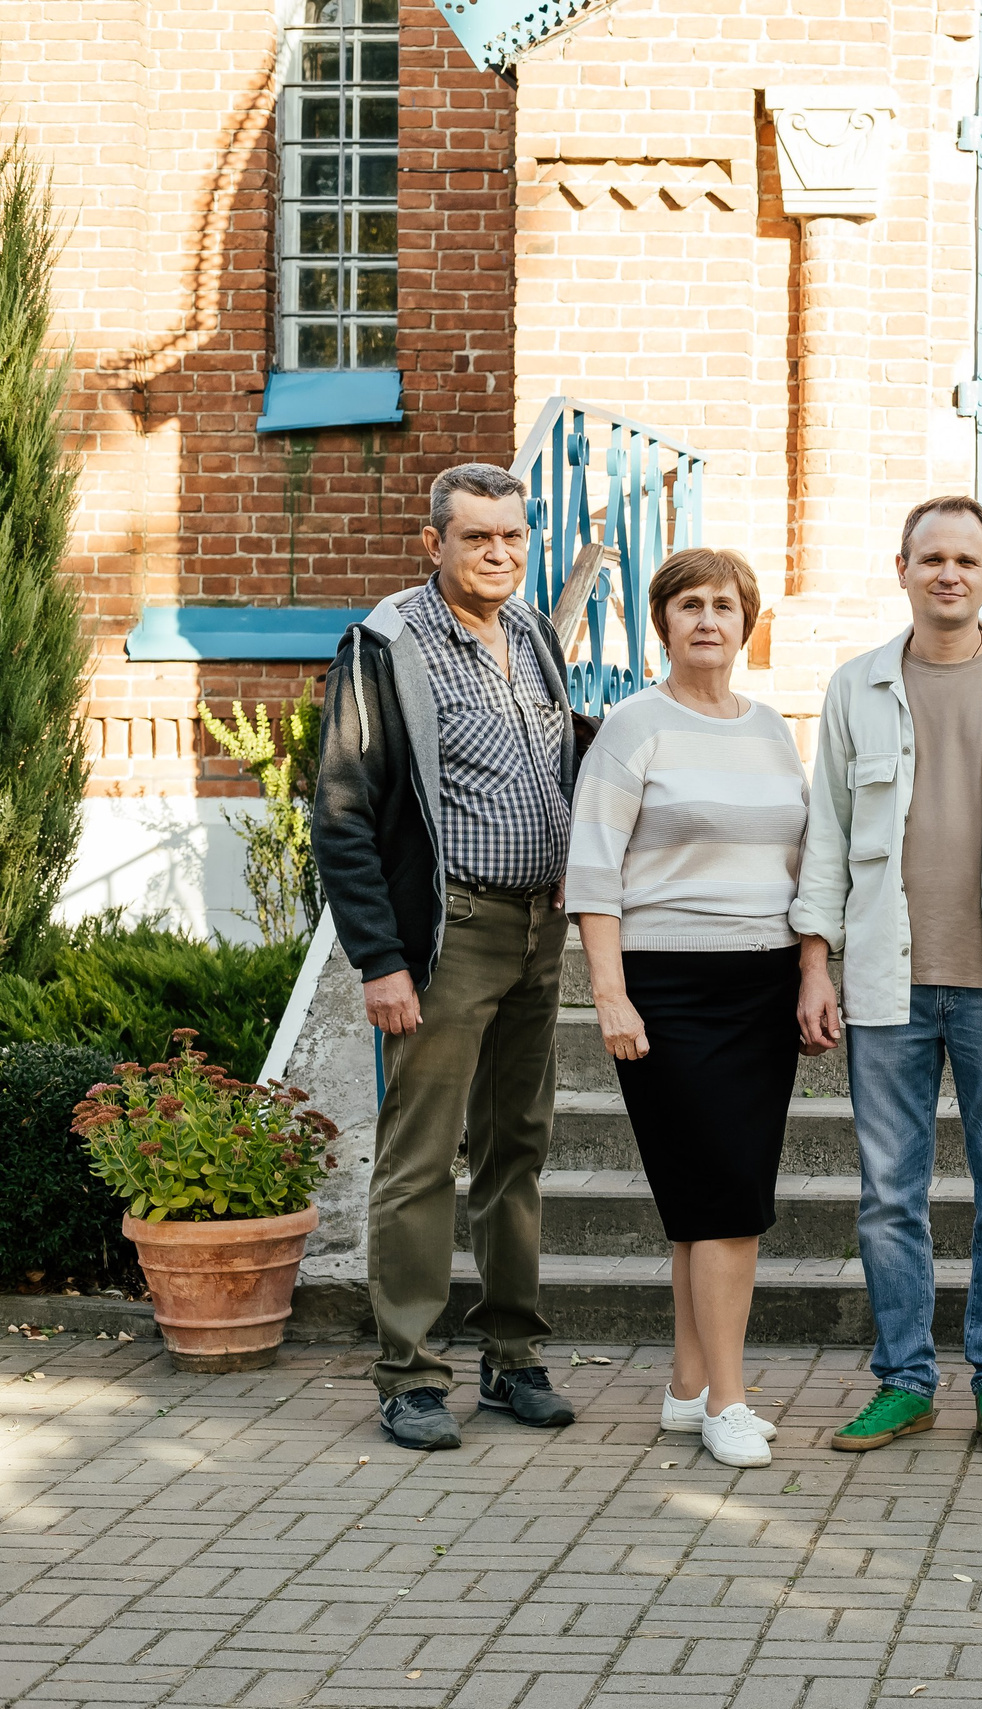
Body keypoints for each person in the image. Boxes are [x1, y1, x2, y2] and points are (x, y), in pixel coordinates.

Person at [794, 497, 982, 1461]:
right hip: (887, 981)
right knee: (888, 1195)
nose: (948, 573)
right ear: (903, 568)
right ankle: (904, 1381)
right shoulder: (856, 688)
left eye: (966, 558)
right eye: (932, 558)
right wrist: (815, 964)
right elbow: (827, 836)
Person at [313, 461, 581, 1451]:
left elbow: (552, 761)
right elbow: (341, 815)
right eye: (478, 538)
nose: (500, 554)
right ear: (434, 544)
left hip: (536, 930)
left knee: (518, 1143)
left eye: (512, 537)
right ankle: (410, 1373)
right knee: (423, 1158)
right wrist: (379, 960)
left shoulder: (535, 634)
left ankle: (512, 1356)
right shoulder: (384, 644)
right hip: (448, 933)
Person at [565, 547, 810, 1470]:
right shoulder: (635, 727)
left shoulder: (772, 731)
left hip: (762, 982)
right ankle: (732, 1403)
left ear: (746, 623)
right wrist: (610, 992)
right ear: (663, 623)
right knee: (727, 1201)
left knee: (708, 1199)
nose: (708, 620)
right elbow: (592, 868)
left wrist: (811, 970)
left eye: (724, 605)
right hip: (666, 987)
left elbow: (799, 859)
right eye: (689, 606)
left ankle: (686, 1385)